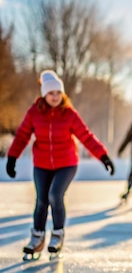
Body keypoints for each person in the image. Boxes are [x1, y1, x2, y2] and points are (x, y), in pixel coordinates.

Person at [5, 70, 115, 260]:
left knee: (55, 195)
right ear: (44, 94)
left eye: (58, 93)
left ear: (62, 94)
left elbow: (86, 136)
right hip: (42, 163)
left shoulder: (69, 114)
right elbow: (22, 135)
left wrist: (103, 156)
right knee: (41, 200)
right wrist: (12, 157)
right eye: (51, 93)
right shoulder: (34, 113)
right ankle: (37, 239)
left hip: (66, 164)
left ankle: (57, 236)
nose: (55, 97)